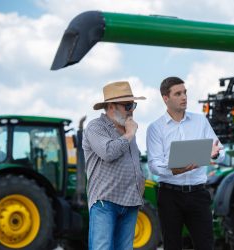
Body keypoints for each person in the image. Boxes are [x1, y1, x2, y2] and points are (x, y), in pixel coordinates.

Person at [146, 76, 224, 250]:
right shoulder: (155, 128)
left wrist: (214, 154)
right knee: (172, 246)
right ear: (165, 98)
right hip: (169, 196)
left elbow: (219, 149)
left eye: (185, 92)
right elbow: (154, 165)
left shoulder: (200, 121)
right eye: (178, 93)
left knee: (206, 245)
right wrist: (176, 168)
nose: (184, 97)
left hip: (198, 194)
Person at [82, 81, 146, 250]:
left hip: (130, 202)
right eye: (127, 105)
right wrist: (130, 133)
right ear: (111, 107)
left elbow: (134, 162)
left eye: (133, 105)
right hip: (106, 203)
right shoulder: (96, 127)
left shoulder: (126, 130)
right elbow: (108, 152)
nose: (132, 110)